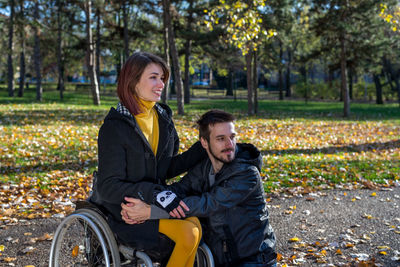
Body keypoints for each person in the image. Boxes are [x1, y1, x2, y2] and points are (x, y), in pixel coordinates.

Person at [89, 51, 207, 267]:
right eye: (153, 77)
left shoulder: (162, 118)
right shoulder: (115, 127)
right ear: (133, 81)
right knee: (188, 233)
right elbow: (108, 187)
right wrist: (155, 193)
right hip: (125, 211)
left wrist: (204, 147)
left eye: (162, 78)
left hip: (154, 203)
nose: (161, 83)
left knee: (196, 225)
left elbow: (165, 169)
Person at [122, 109, 277, 267]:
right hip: (220, 260)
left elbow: (207, 204)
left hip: (253, 261)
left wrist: (151, 212)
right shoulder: (206, 168)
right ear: (204, 142)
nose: (229, 144)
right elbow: (180, 189)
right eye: (220, 139)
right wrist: (149, 201)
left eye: (232, 137)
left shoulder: (247, 174)